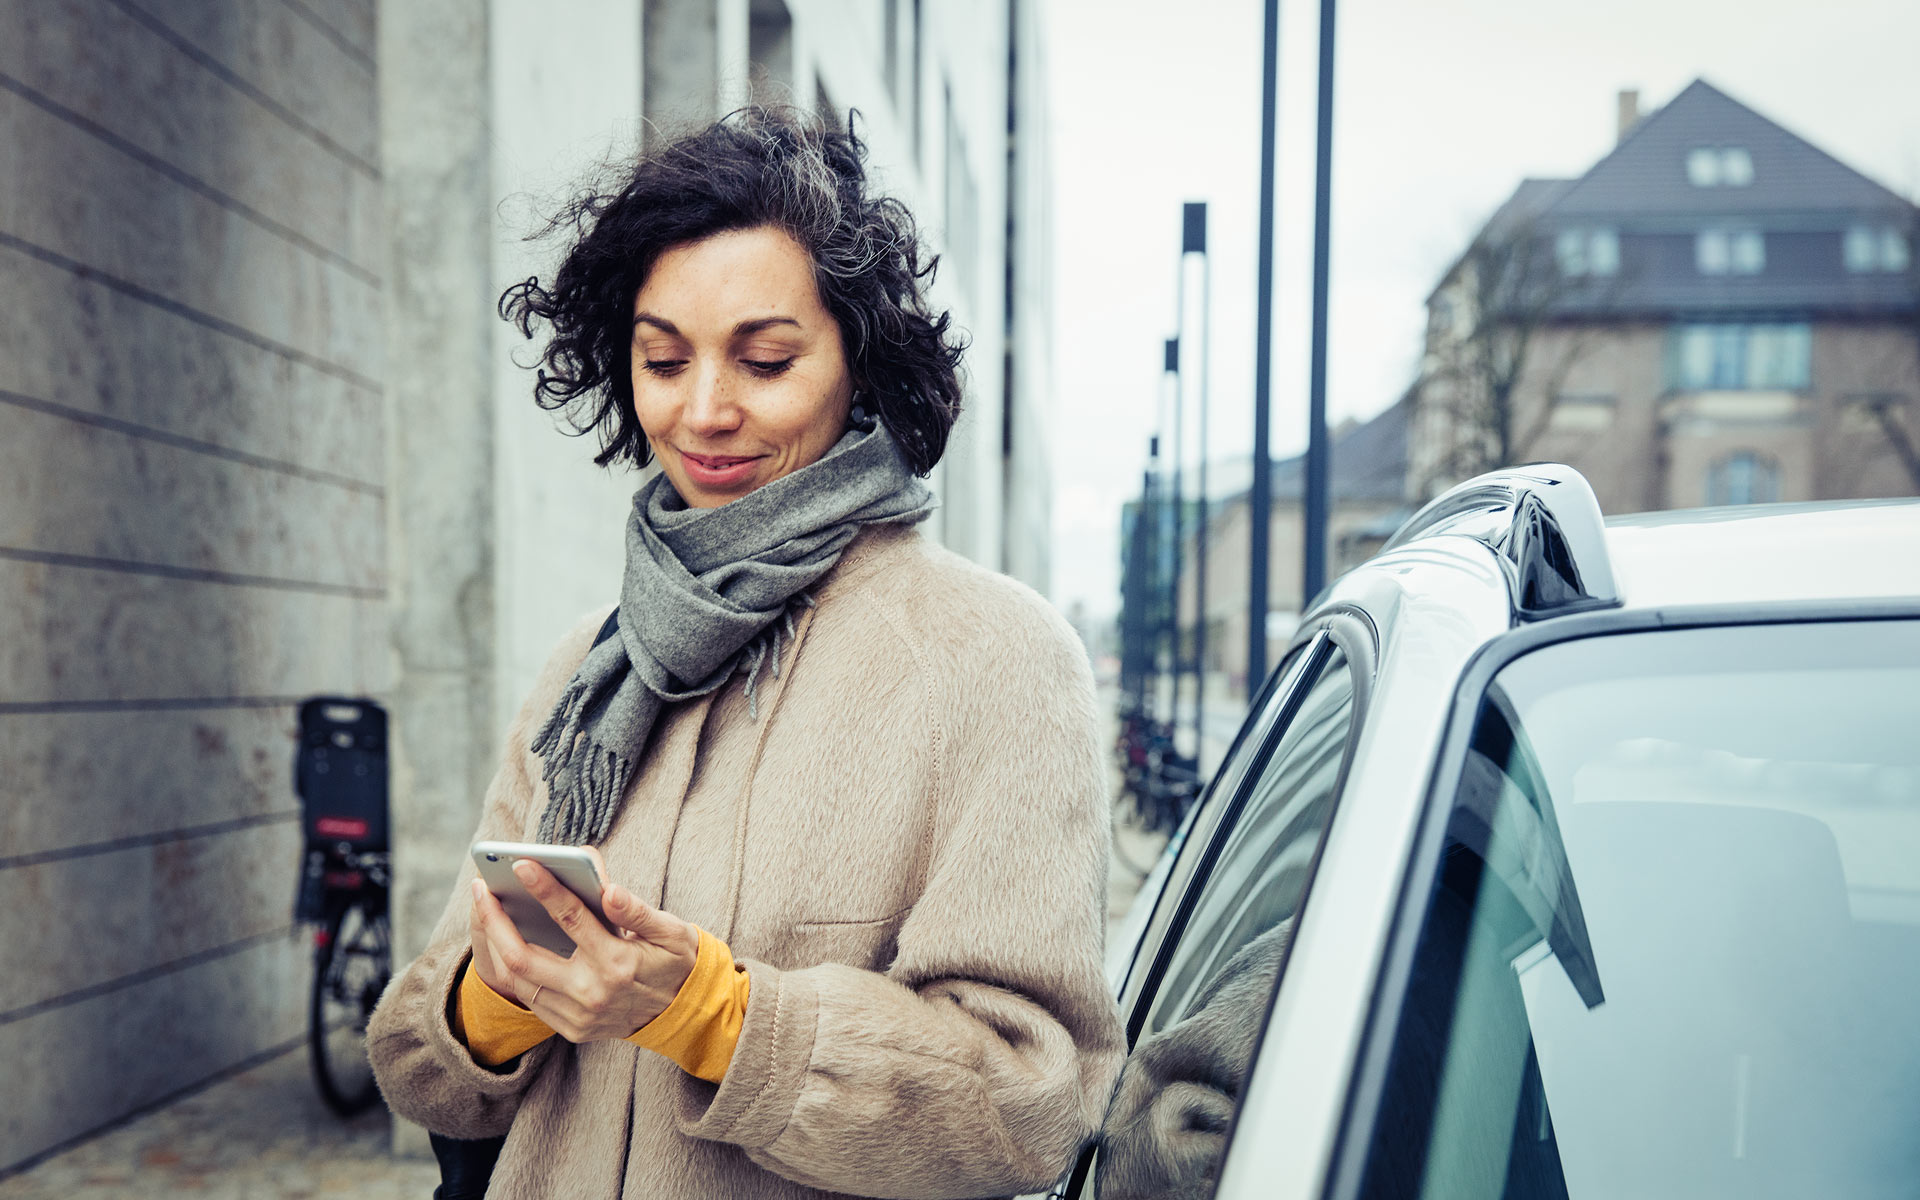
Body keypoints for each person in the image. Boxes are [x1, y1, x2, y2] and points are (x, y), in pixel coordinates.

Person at [366, 107, 1125, 1199]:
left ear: (857, 364)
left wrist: (714, 1016)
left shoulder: (994, 660)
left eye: (765, 361)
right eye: (663, 360)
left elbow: (1029, 1100)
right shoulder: (592, 665)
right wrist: (499, 999)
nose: (706, 411)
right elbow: (417, 1066)